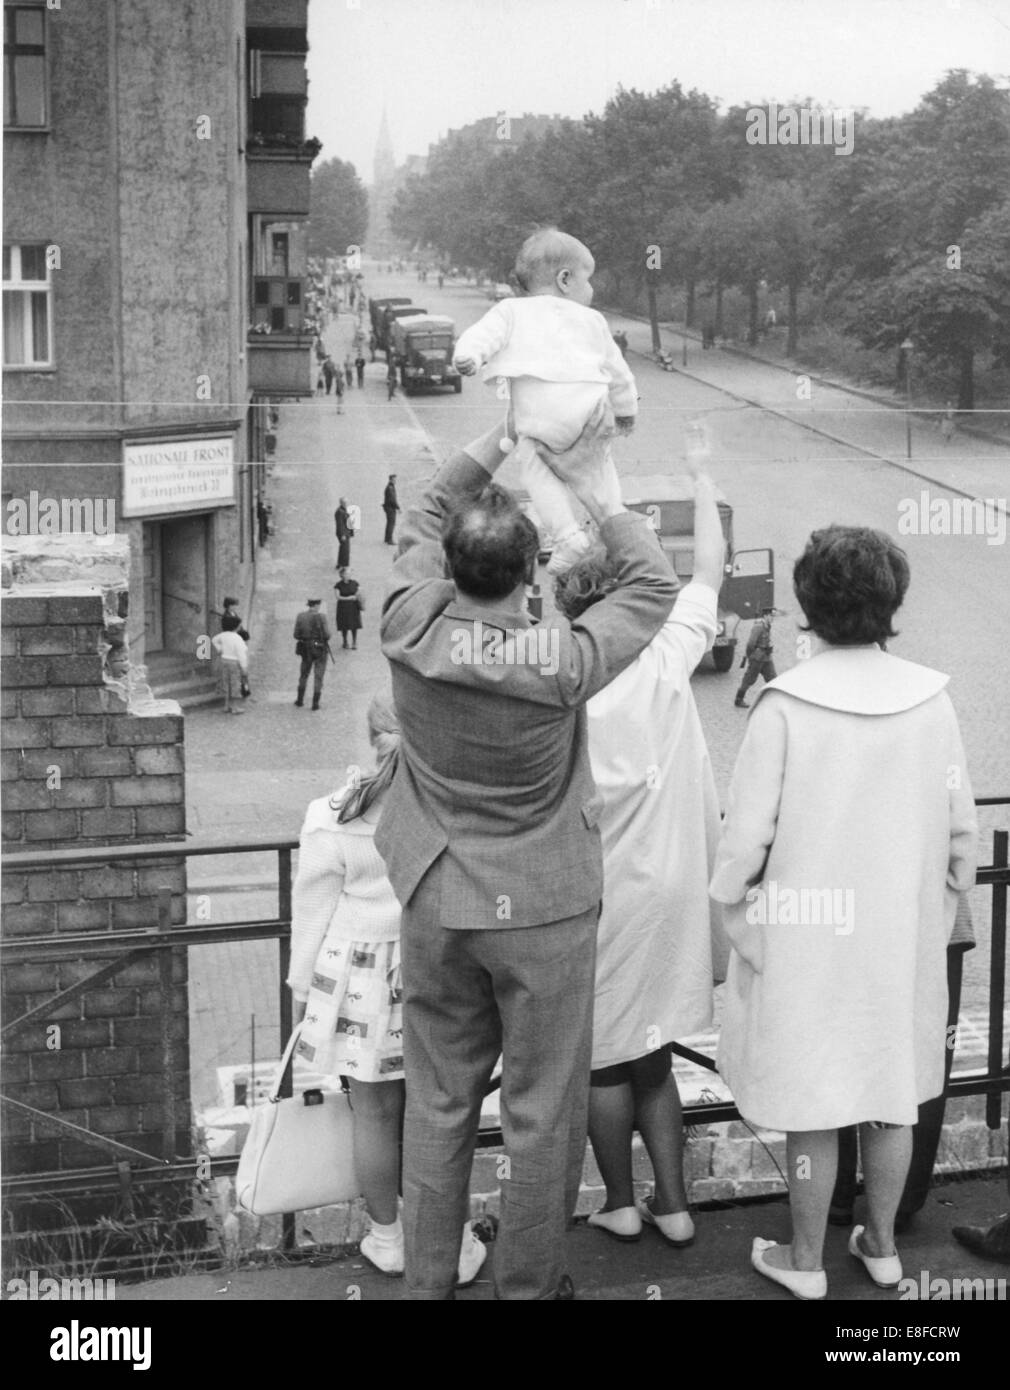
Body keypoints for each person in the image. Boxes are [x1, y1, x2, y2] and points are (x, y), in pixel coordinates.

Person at [375, 405, 680, 1301]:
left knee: (438, 1102)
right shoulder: (561, 659)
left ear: (449, 567)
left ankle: (427, 1284)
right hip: (544, 909)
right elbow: (653, 583)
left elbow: (426, 509)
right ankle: (529, 1286)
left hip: (438, 895)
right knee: (542, 1110)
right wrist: (594, 487)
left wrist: (503, 433)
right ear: (531, 570)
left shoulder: (409, 627)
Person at [710, 525, 978, 1300]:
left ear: (809, 604)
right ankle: (884, 1246)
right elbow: (961, 836)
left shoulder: (785, 707)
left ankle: (805, 1260)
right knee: (892, 1094)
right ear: (892, 601)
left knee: (812, 1102)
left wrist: (745, 925)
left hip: (806, 939)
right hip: (896, 937)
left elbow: (743, 845)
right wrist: (930, 910)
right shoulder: (932, 702)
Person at [553, 454, 727, 1247]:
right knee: (655, 1053)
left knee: (603, 1056)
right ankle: (676, 1204)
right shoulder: (666, 655)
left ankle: (620, 1201)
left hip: (596, 889)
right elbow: (710, 568)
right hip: (674, 887)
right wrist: (701, 477)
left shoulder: (563, 682)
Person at [287, 695, 486, 1287]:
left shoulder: (331, 814)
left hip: (358, 979)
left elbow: (312, 913)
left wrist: (301, 993)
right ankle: (452, 1241)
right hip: (435, 966)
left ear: (371, 737)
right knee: (440, 1112)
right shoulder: (453, 804)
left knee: (372, 1114)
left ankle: (387, 1238)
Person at [453, 227, 638, 575]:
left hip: (539, 417)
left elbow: (481, 336)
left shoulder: (511, 310)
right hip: (591, 412)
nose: (592, 288)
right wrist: (627, 412)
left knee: (535, 468)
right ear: (565, 279)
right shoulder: (593, 320)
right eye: (588, 279)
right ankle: (614, 522)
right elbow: (619, 372)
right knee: (602, 467)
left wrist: (469, 357)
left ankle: (567, 537)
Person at [829, 893, 976, 1232]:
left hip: (849, 919)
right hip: (937, 919)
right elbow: (962, 867)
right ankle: (900, 1203)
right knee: (928, 1060)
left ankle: (834, 1194)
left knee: (837, 1054)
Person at [292, 598, 332, 711]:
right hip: (320, 648)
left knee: (304, 674)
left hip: (306, 648)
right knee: (318, 676)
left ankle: (300, 700)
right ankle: (315, 703)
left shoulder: (301, 616)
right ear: (316, 605)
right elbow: (327, 635)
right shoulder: (322, 617)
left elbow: (296, 635)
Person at [734, 609, 777, 708]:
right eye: (771, 616)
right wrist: (751, 656)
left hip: (767, 657)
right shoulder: (759, 626)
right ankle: (739, 699)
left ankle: (775, 701)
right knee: (749, 679)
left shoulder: (767, 625)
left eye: (773, 616)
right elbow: (750, 644)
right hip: (757, 658)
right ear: (765, 616)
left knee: (773, 678)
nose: (772, 618)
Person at [210, 626, 248, 715]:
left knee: (226, 683)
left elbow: (214, 639)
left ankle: (226, 706)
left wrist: (220, 649)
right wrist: (244, 667)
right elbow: (241, 655)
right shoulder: (238, 638)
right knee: (235, 684)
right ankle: (235, 708)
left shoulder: (224, 635)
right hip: (234, 663)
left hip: (224, 661)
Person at [220, 597, 251, 698]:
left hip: (239, 641)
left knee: (243, 667)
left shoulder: (233, 614)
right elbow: (230, 630)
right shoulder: (226, 617)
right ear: (229, 606)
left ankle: (245, 688)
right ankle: (242, 689)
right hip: (234, 645)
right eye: (233, 605)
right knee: (241, 667)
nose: (235, 607)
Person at [334, 567, 363, 650]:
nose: (349, 575)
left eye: (350, 573)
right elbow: (338, 597)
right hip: (343, 607)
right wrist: (349, 598)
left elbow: (359, 592)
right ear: (342, 575)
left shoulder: (355, 583)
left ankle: (354, 642)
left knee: (354, 624)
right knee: (344, 625)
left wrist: (357, 596)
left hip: (353, 607)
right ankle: (345, 641)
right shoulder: (338, 585)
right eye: (347, 573)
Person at [335, 498, 354, 569]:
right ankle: (345, 565)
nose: (347, 504)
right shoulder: (340, 512)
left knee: (343, 549)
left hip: (346, 533)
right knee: (345, 550)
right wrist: (342, 534)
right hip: (344, 534)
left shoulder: (342, 510)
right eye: (345, 503)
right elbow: (340, 525)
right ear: (341, 503)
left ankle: (340, 564)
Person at [382, 475, 400, 545]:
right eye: (394, 480)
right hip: (390, 508)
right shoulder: (390, 488)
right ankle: (390, 540)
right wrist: (398, 508)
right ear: (390, 480)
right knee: (391, 524)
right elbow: (392, 500)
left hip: (388, 507)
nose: (395, 481)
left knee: (389, 523)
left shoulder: (390, 487)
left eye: (395, 480)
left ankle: (387, 538)